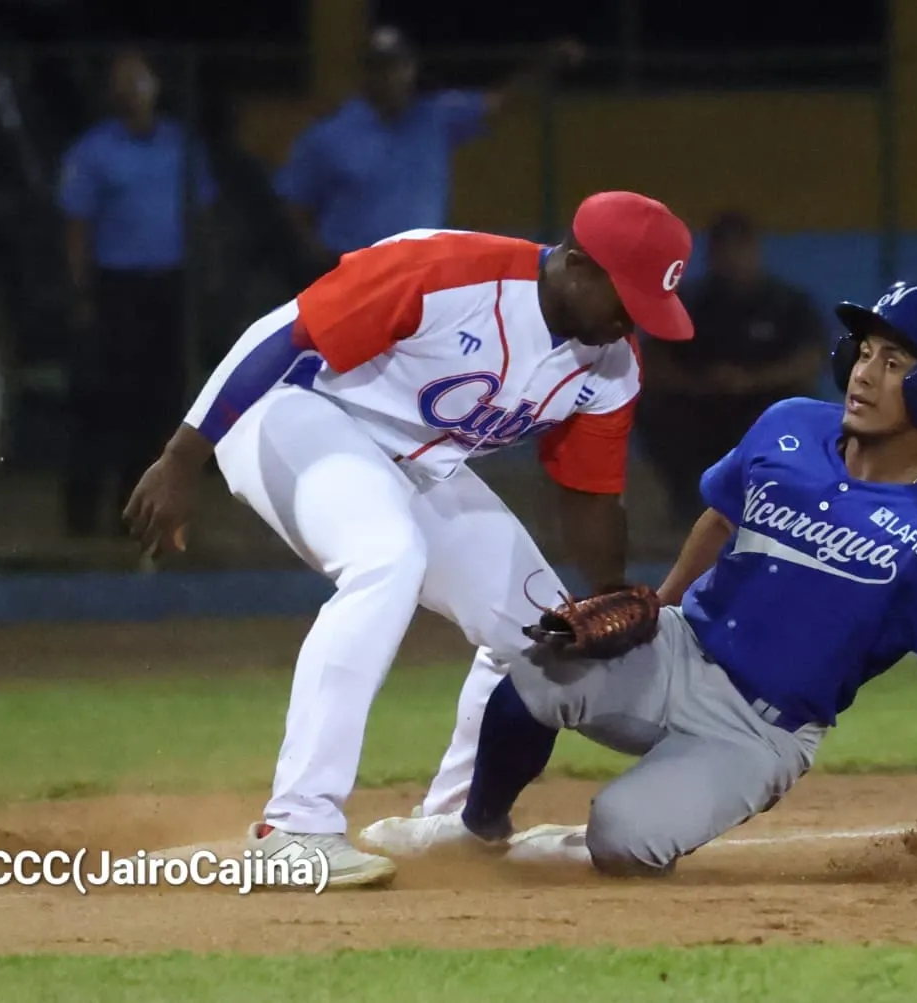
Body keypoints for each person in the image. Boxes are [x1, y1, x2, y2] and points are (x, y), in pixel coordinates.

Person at [361, 282, 917, 879]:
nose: (864, 374)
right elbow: (721, 517)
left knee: (624, 837)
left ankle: (575, 848)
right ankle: (476, 829)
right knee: (534, 671)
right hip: (682, 648)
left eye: (893, 362)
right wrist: (658, 609)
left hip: (759, 732)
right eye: (865, 352)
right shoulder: (789, 426)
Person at [122, 190, 695, 888]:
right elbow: (283, 334)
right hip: (296, 410)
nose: (630, 321)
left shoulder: (611, 364)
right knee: (386, 558)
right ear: (577, 265)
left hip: (417, 464)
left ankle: (455, 823)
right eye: (625, 298)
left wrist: (606, 596)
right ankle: (295, 826)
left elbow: (591, 493)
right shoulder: (448, 272)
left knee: (543, 631)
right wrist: (183, 457)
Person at [58, 48, 217, 536]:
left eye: (140, 78)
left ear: (157, 85)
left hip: (167, 286)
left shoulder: (181, 146)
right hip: (115, 288)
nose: (132, 89)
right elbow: (77, 226)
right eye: (122, 80)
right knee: (105, 401)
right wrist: (81, 293)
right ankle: (82, 514)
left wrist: (204, 278)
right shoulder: (94, 151)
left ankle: (136, 512)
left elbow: (201, 214)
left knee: (160, 400)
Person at [276, 26, 583, 273]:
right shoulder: (331, 133)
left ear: (411, 69)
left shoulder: (434, 118)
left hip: (423, 269)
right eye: (379, 68)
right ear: (365, 73)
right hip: (354, 269)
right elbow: (292, 203)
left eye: (397, 66)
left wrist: (547, 64)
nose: (389, 77)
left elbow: (501, 102)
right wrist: (316, 258)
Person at [636, 211, 828, 526]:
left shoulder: (787, 303)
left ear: (755, 251)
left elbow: (810, 360)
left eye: (740, 248)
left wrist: (750, 381)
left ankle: (778, 505)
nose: (732, 259)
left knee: (800, 411)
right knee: (653, 408)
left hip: (762, 406)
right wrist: (702, 384)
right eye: (723, 250)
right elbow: (653, 360)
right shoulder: (690, 303)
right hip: (700, 405)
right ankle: (688, 503)